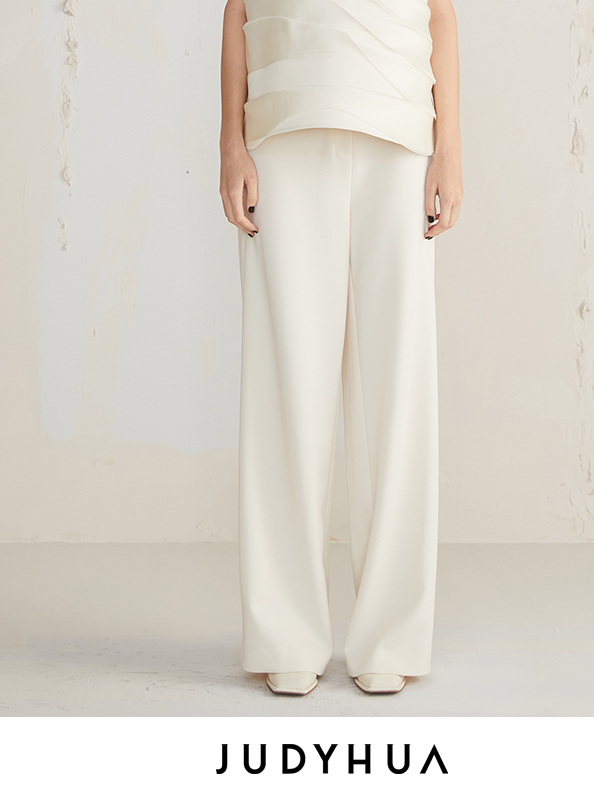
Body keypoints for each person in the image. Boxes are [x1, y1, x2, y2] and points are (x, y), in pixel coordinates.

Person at [219, 0, 462, 696]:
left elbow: (439, 11)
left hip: (400, 134)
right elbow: (237, 7)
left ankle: (391, 635)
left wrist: (449, 148)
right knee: (284, 388)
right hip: (281, 130)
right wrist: (231, 143)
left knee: (398, 387)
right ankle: (284, 632)